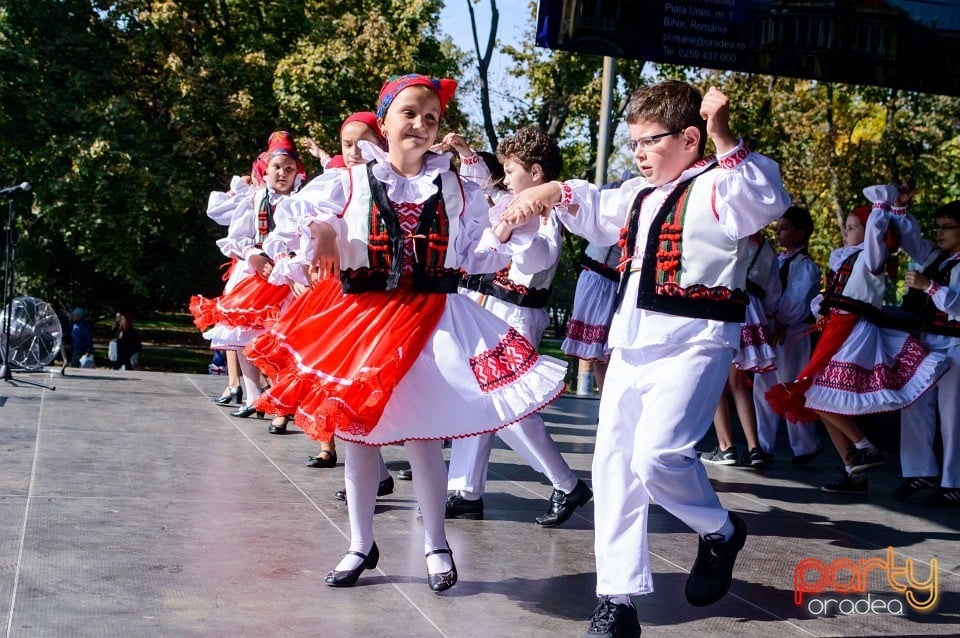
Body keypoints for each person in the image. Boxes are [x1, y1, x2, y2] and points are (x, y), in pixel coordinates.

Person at [252, 74, 566, 592]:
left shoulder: (455, 187)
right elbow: (303, 222)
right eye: (409, 114)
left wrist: (508, 228)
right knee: (359, 437)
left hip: (432, 318)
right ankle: (359, 543)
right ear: (385, 120)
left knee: (423, 437)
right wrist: (326, 234)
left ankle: (436, 543)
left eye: (431, 118)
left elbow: (474, 253)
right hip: (363, 318)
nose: (420, 125)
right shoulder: (348, 181)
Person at [503, 80, 790, 637]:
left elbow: (764, 198)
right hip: (633, 343)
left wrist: (724, 134)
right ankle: (617, 600)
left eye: (649, 141)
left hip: (697, 341)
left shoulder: (722, 184)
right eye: (631, 141)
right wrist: (550, 191)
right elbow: (591, 207)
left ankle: (720, 530)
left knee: (658, 458)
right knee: (613, 468)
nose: (637, 152)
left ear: (689, 137)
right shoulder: (638, 193)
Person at [438, 127, 593, 526]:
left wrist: (513, 230)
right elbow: (482, 190)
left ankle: (566, 482)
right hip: (493, 309)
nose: (505, 179)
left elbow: (539, 259)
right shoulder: (512, 201)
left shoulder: (548, 215)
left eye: (511, 170)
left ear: (536, 172)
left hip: (519, 314)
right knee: (479, 398)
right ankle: (466, 490)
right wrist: (463, 150)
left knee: (511, 406)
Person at [765, 186, 946, 495]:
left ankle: (865, 448)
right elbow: (829, 298)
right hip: (837, 329)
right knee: (818, 396)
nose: (846, 232)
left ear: (868, 231)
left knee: (817, 395)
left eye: (851, 227)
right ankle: (854, 468)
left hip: (854, 332)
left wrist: (879, 207)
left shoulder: (870, 258)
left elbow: (875, 242)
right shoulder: (845, 261)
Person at [190, 131, 306, 425]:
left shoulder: (303, 200)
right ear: (266, 169)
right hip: (257, 276)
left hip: (289, 278)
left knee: (283, 342)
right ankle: (255, 395)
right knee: (241, 336)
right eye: (277, 167)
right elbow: (238, 236)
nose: (282, 173)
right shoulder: (256, 199)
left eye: (289, 168)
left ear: (297, 172)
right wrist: (254, 255)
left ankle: (282, 401)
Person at [890, 199, 960, 506]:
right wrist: (900, 210)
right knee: (914, 402)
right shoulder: (938, 257)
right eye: (938, 226)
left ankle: (953, 481)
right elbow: (912, 242)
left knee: (952, 414)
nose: (940, 233)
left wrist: (929, 286)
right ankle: (921, 470)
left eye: (948, 227)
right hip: (928, 340)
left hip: (956, 343)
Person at [701, 231, 781, 467]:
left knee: (715, 381)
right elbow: (774, 292)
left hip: (728, 303)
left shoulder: (731, 236)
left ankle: (726, 447)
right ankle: (754, 447)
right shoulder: (767, 248)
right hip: (753, 309)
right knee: (737, 384)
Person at [752, 206, 823, 464]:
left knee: (791, 386)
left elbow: (796, 302)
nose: (778, 232)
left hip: (791, 333)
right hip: (772, 330)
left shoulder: (806, 267)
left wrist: (779, 318)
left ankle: (805, 444)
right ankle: (763, 444)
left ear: (800, 232)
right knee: (764, 386)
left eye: (784, 228)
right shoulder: (778, 259)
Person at [561, 241, 620, 393]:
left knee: (610, 350)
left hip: (616, 278)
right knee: (601, 350)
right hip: (600, 279)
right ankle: (606, 408)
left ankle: (609, 408)